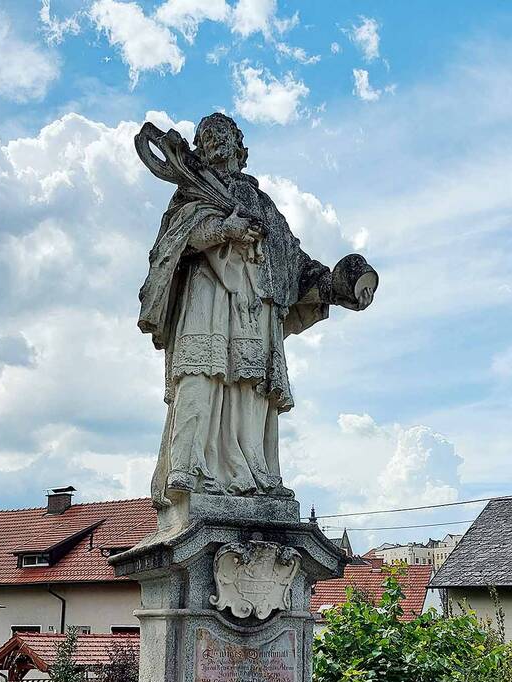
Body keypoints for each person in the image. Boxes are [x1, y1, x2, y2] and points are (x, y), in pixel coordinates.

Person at [138, 113, 376, 507]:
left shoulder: (261, 204)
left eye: (223, 134)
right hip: (207, 297)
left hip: (254, 307)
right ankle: (190, 467)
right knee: (199, 375)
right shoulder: (192, 193)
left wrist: (340, 287)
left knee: (253, 386)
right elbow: (174, 244)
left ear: (238, 145)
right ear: (199, 147)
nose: (215, 141)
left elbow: (293, 265)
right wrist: (222, 231)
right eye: (207, 136)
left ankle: (253, 473)